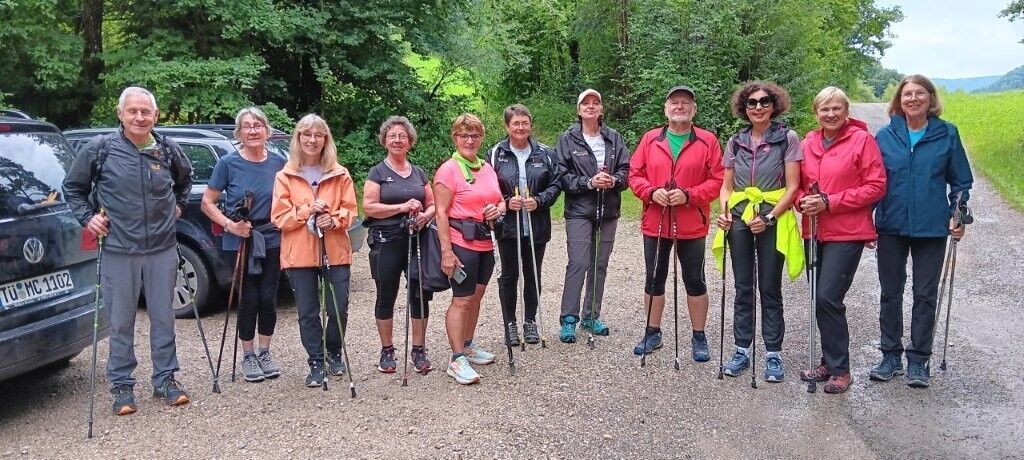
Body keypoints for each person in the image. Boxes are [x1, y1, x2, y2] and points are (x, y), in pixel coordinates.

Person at [63, 86, 193, 415]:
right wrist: (87, 218)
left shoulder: (167, 149)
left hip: (162, 247)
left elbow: (185, 180)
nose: (139, 117)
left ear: (155, 115)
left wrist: (179, 205)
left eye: (145, 112)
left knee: (164, 316)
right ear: (120, 114)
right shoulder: (101, 149)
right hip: (119, 248)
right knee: (121, 320)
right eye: (132, 111)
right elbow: (73, 188)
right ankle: (122, 384)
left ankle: (166, 378)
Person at [870, 74, 973, 389]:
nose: (912, 99)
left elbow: (961, 182)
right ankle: (890, 356)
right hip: (891, 225)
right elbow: (873, 184)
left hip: (931, 227)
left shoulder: (947, 134)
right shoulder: (885, 136)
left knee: (925, 295)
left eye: (918, 93)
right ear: (898, 101)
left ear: (930, 98)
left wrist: (958, 213)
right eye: (906, 94)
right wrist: (866, 223)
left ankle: (918, 360)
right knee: (890, 293)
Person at [797, 87, 886, 394]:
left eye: (836, 108)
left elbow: (876, 186)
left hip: (848, 231)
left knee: (827, 297)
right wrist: (801, 201)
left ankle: (841, 369)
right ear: (816, 112)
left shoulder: (862, 140)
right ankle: (828, 361)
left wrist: (830, 201)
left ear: (846, 111)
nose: (831, 114)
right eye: (825, 109)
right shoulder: (808, 142)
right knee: (817, 299)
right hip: (814, 229)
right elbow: (797, 185)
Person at [713, 81, 803, 382]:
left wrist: (770, 216)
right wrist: (724, 212)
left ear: (774, 105)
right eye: (752, 103)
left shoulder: (787, 138)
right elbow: (726, 187)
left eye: (764, 101)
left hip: (771, 216)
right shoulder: (736, 141)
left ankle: (773, 354)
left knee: (769, 286)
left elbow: (793, 187)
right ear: (744, 108)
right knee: (743, 287)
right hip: (739, 216)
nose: (758, 107)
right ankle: (741, 349)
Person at [629, 85, 725, 361]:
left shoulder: (707, 141)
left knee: (694, 279)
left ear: (694, 110)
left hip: (691, 223)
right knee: (654, 278)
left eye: (685, 103)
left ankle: (699, 335)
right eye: (674, 103)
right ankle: (652, 331)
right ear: (666, 109)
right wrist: (650, 192)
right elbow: (635, 174)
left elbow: (718, 180)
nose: (679, 107)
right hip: (655, 221)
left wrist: (689, 196)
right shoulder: (650, 139)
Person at [271, 114, 358, 388]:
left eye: (318, 135)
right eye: (306, 134)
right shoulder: (285, 176)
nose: (312, 140)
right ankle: (316, 359)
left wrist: (333, 219)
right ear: (298, 139)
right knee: (308, 311)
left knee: (338, 306)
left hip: (334, 250)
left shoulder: (340, 173)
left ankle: (333, 350)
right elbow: (280, 218)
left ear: (325, 140)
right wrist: (308, 210)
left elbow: (350, 210)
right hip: (299, 253)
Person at [201, 107, 287, 383]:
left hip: (271, 236)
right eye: (247, 126)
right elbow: (208, 203)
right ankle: (248, 354)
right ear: (239, 132)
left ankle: (265, 351)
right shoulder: (228, 163)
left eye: (258, 125)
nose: (253, 130)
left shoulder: (278, 163)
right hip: (240, 237)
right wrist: (229, 224)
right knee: (248, 298)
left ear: (266, 131)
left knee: (268, 297)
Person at [434, 113, 505, 385]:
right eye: (464, 135)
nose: (470, 140)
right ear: (455, 138)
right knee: (462, 300)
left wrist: (495, 210)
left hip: (485, 241)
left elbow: (500, 202)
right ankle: (456, 358)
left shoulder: (486, 168)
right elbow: (441, 213)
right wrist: (447, 252)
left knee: (476, 298)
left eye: (475, 135)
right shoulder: (448, 170)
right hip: (461, 242)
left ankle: (467, 344)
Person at [362, 116, 436, 375]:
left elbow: (433, 203)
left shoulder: (418, 172)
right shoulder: (378, 172)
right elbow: (369, 207)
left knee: (419, 292)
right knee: (386, 295)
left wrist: (427, 215)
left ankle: (418, 349)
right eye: (392, 136)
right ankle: (387, 350)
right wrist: (401, 207)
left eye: (402, 136)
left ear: (410, 141)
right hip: (386, 241)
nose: (397, 140)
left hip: (416, 240)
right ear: (385, 140)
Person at [555, 89, 630, 343]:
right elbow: (561, 175)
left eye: (595, 102)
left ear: (601, 110)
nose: (590, 106)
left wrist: (614, 180)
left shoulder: (614, 138)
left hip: (608, 210)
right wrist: (588, 182)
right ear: (578, 110)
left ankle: (591, 315)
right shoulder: (568, 139)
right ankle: (568, 319)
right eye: (585, 103)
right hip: (579, 210)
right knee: (578, 262)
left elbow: (626, 171)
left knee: (600, 263)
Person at [486, 104, 562, 346]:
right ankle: (510, 324)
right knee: (509, 275)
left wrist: (538, 201)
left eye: (525, 123)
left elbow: (556, 184)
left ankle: (530, 321)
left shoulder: (545, 153)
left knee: (533, 274)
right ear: (507, 126)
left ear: (531, 124)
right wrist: (506, 202)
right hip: (507, 226)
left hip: (536, 225)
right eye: (516, 123)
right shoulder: (496, 153)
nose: (521, 128)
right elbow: (487, 187)